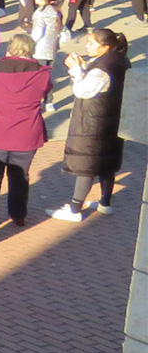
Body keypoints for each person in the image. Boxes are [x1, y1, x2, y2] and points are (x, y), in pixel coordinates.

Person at [0, 34, 51, 228]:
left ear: (10, 48)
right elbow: (45, 92)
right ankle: (18, 214)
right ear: (31, 50)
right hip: (26, 131)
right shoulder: (43, 73)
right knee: (20, 175)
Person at [52, 28, 130, 222]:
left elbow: (82, 91)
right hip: (113, 119)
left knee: (87, 163)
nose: (87, 46)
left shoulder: (102, 69)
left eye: (92, 43)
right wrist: (84, 68)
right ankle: (105, 203)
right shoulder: (120, 60)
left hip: (94, 122)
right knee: (106, 162)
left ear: (106, 47)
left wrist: (76, 70)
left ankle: (74, 209)